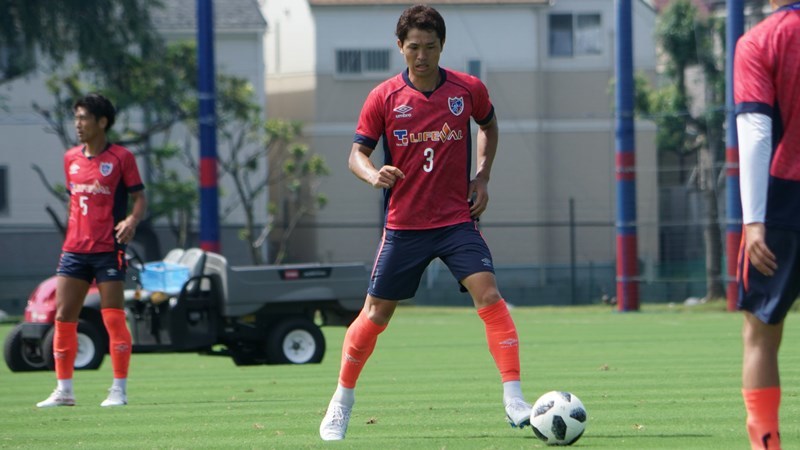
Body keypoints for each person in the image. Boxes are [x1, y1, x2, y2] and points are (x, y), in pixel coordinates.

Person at [319, 5, 530, 440]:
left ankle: (514, 398)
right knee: (375, 314)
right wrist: (372, 174)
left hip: (456, 222)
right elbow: (356, 155)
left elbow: (489, 126)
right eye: (413, 47)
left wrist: (483, 177)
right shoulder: (384, 97)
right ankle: (341, 402)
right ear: (400, 47)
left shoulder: (467, 89)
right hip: (404, 226)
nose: (422, 56)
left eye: (430, 47)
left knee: (489, 295)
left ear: (442, 46)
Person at [37, 93, 147, 408]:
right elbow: (75, 201)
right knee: (63, 317)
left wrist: (131, 220)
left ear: (102, 122)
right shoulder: (70, 158)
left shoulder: (122, 158)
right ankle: (64, 391)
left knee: (113, 318)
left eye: (84, 118)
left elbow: (140, 198)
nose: (78, 124)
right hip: (74, 250)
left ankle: (118, 390)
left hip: (108, 249)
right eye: (76, 118)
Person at [734, 1, 800, 449]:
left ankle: (766, 446)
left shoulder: (760, 40)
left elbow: (756, 131)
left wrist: (754, 221)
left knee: (760, 332)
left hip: (782, 202)